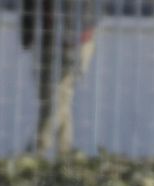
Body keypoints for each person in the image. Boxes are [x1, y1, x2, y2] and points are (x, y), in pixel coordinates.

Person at [21, 0, 97, 156]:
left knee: (59, 97)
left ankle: (36, 151)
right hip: (48, 35)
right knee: (52, 98)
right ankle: (64, 154)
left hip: (76, 36)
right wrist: (28, 32)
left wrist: (72, 38)